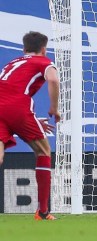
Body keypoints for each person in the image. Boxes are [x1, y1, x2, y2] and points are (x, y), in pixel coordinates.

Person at [0, 31, 61, 221]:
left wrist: (29, 120)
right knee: (43, 152)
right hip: (17, 107)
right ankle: (42, 212)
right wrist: (54, 108)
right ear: (44, 49)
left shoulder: (13, 63)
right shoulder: (43, 62)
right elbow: (53, 79)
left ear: (24, 49)